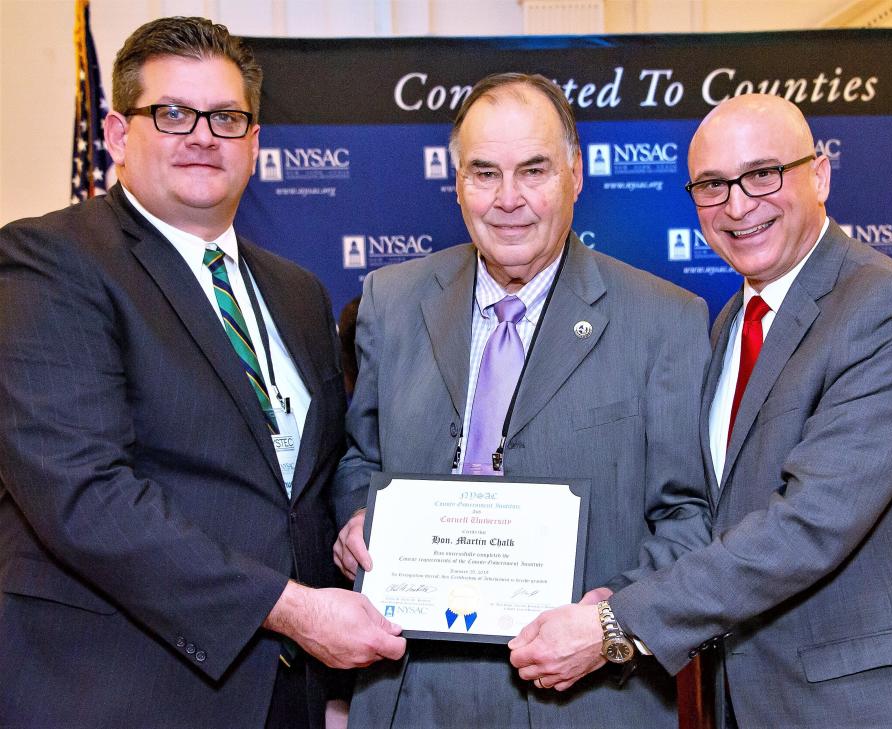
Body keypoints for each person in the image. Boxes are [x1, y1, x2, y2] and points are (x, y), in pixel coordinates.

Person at [0, 16, 403, 729]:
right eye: (172, 113)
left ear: (254, 143)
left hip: (285, 695)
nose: (202, 137)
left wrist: (359, 525)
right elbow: (85, 495)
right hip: (118, 687)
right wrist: (296, 609)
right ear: (118, 135)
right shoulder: (50, 262)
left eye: (226, 117)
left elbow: (308, 480)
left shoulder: (299, 292)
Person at [508, 93, 892, 728]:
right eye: (713, 185)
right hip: (747, 701)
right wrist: (627, 590)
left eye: (763, 174)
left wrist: (618, 622)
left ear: (821, 174)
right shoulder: (729, 325)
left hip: (861, 705)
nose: (739, 204)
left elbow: (809, 525)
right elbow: (712, 512)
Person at [331, 72, 712, 728]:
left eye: (534, 170)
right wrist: (356, 521)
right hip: (410, 690)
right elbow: (358, 462)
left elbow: (690, 516)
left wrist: (612, 618)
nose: (509, 199)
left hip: (587, 696)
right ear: (456, 184)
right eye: (484, 172)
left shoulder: (664, 319)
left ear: (576, 173)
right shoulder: (390, 301)